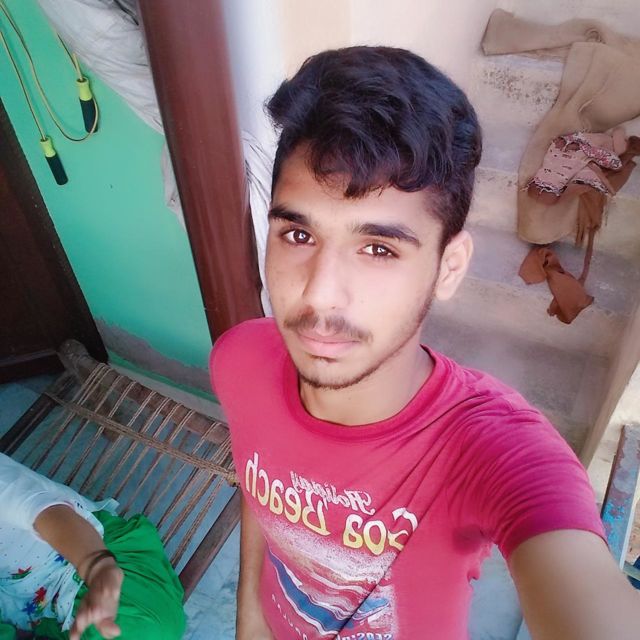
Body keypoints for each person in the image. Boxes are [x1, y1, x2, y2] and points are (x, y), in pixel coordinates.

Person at [210, 46, 640, 640]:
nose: (320, 295)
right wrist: (251, 622)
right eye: (299, 234)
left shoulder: (492, 450)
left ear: (448, 267)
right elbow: (261, 488)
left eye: (378, 248)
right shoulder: (241, 360)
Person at [0, 453, 185, 640]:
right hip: (23, 605)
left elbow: (47, 511)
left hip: (84, 550)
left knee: (152, 631)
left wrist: (97, 568)